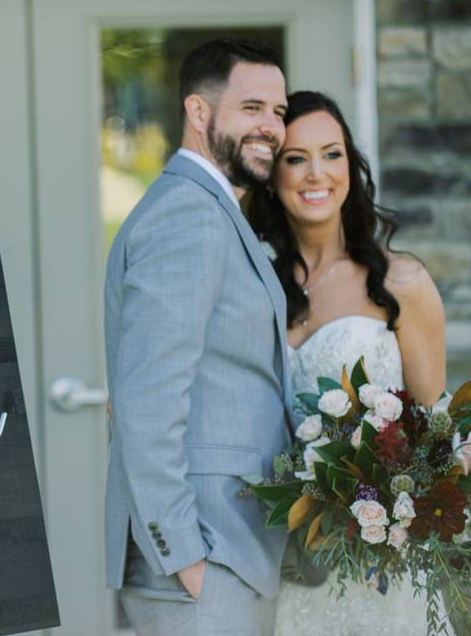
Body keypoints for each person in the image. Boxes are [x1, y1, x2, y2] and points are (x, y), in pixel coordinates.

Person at [104, 38, 292, 635]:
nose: (271, 127)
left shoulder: (213, 211)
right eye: (252, 108)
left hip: (232, 553)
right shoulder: (188, 214)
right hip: (206, 557)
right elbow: (148, 401)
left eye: (279, 113)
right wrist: (183, 553)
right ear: (199, 112)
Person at [247, 90, 449, 635]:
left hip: (379, 569)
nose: (317, 174)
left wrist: (389, 509)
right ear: (272, 174)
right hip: (283, 560)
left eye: (332, 154)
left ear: (351, 166)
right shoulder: (251, 287)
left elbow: (437, 430)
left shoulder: (402, 281)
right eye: (296, 158)